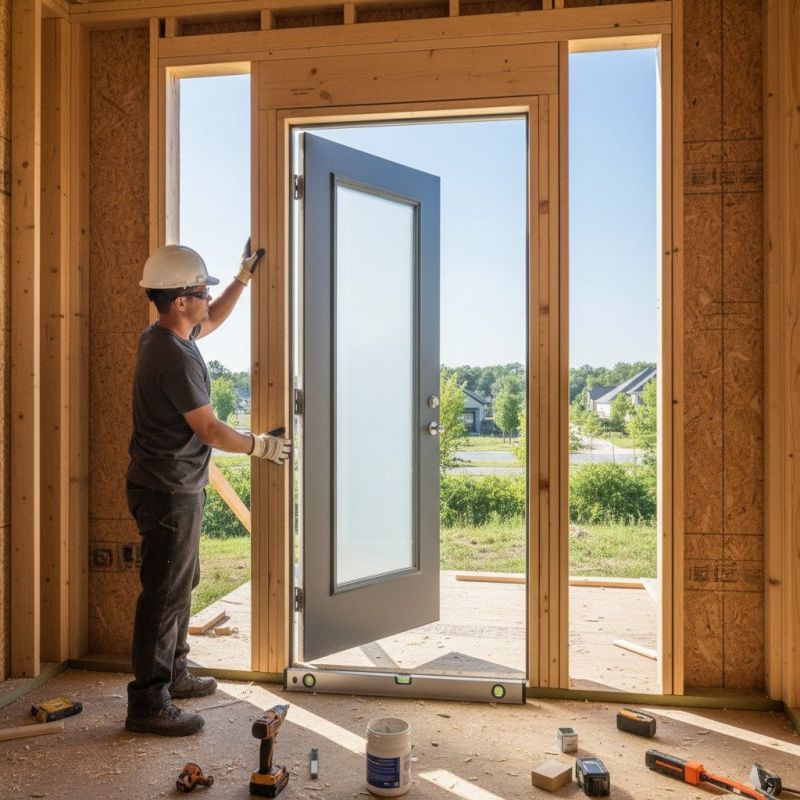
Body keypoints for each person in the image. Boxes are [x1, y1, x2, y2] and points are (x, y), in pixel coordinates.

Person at [124, 240, 290, 736]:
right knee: (163, 593)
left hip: (170, 485)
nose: (205, 298)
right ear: (181, 301)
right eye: (201, 290)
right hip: (167, 489)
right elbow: (211, 431)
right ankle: (148, 702)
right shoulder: (173, 357)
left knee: (180, 586)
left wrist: (241, 279)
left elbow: (211, 320)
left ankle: (173, 675)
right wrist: (260, 446)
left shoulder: (166, 337)